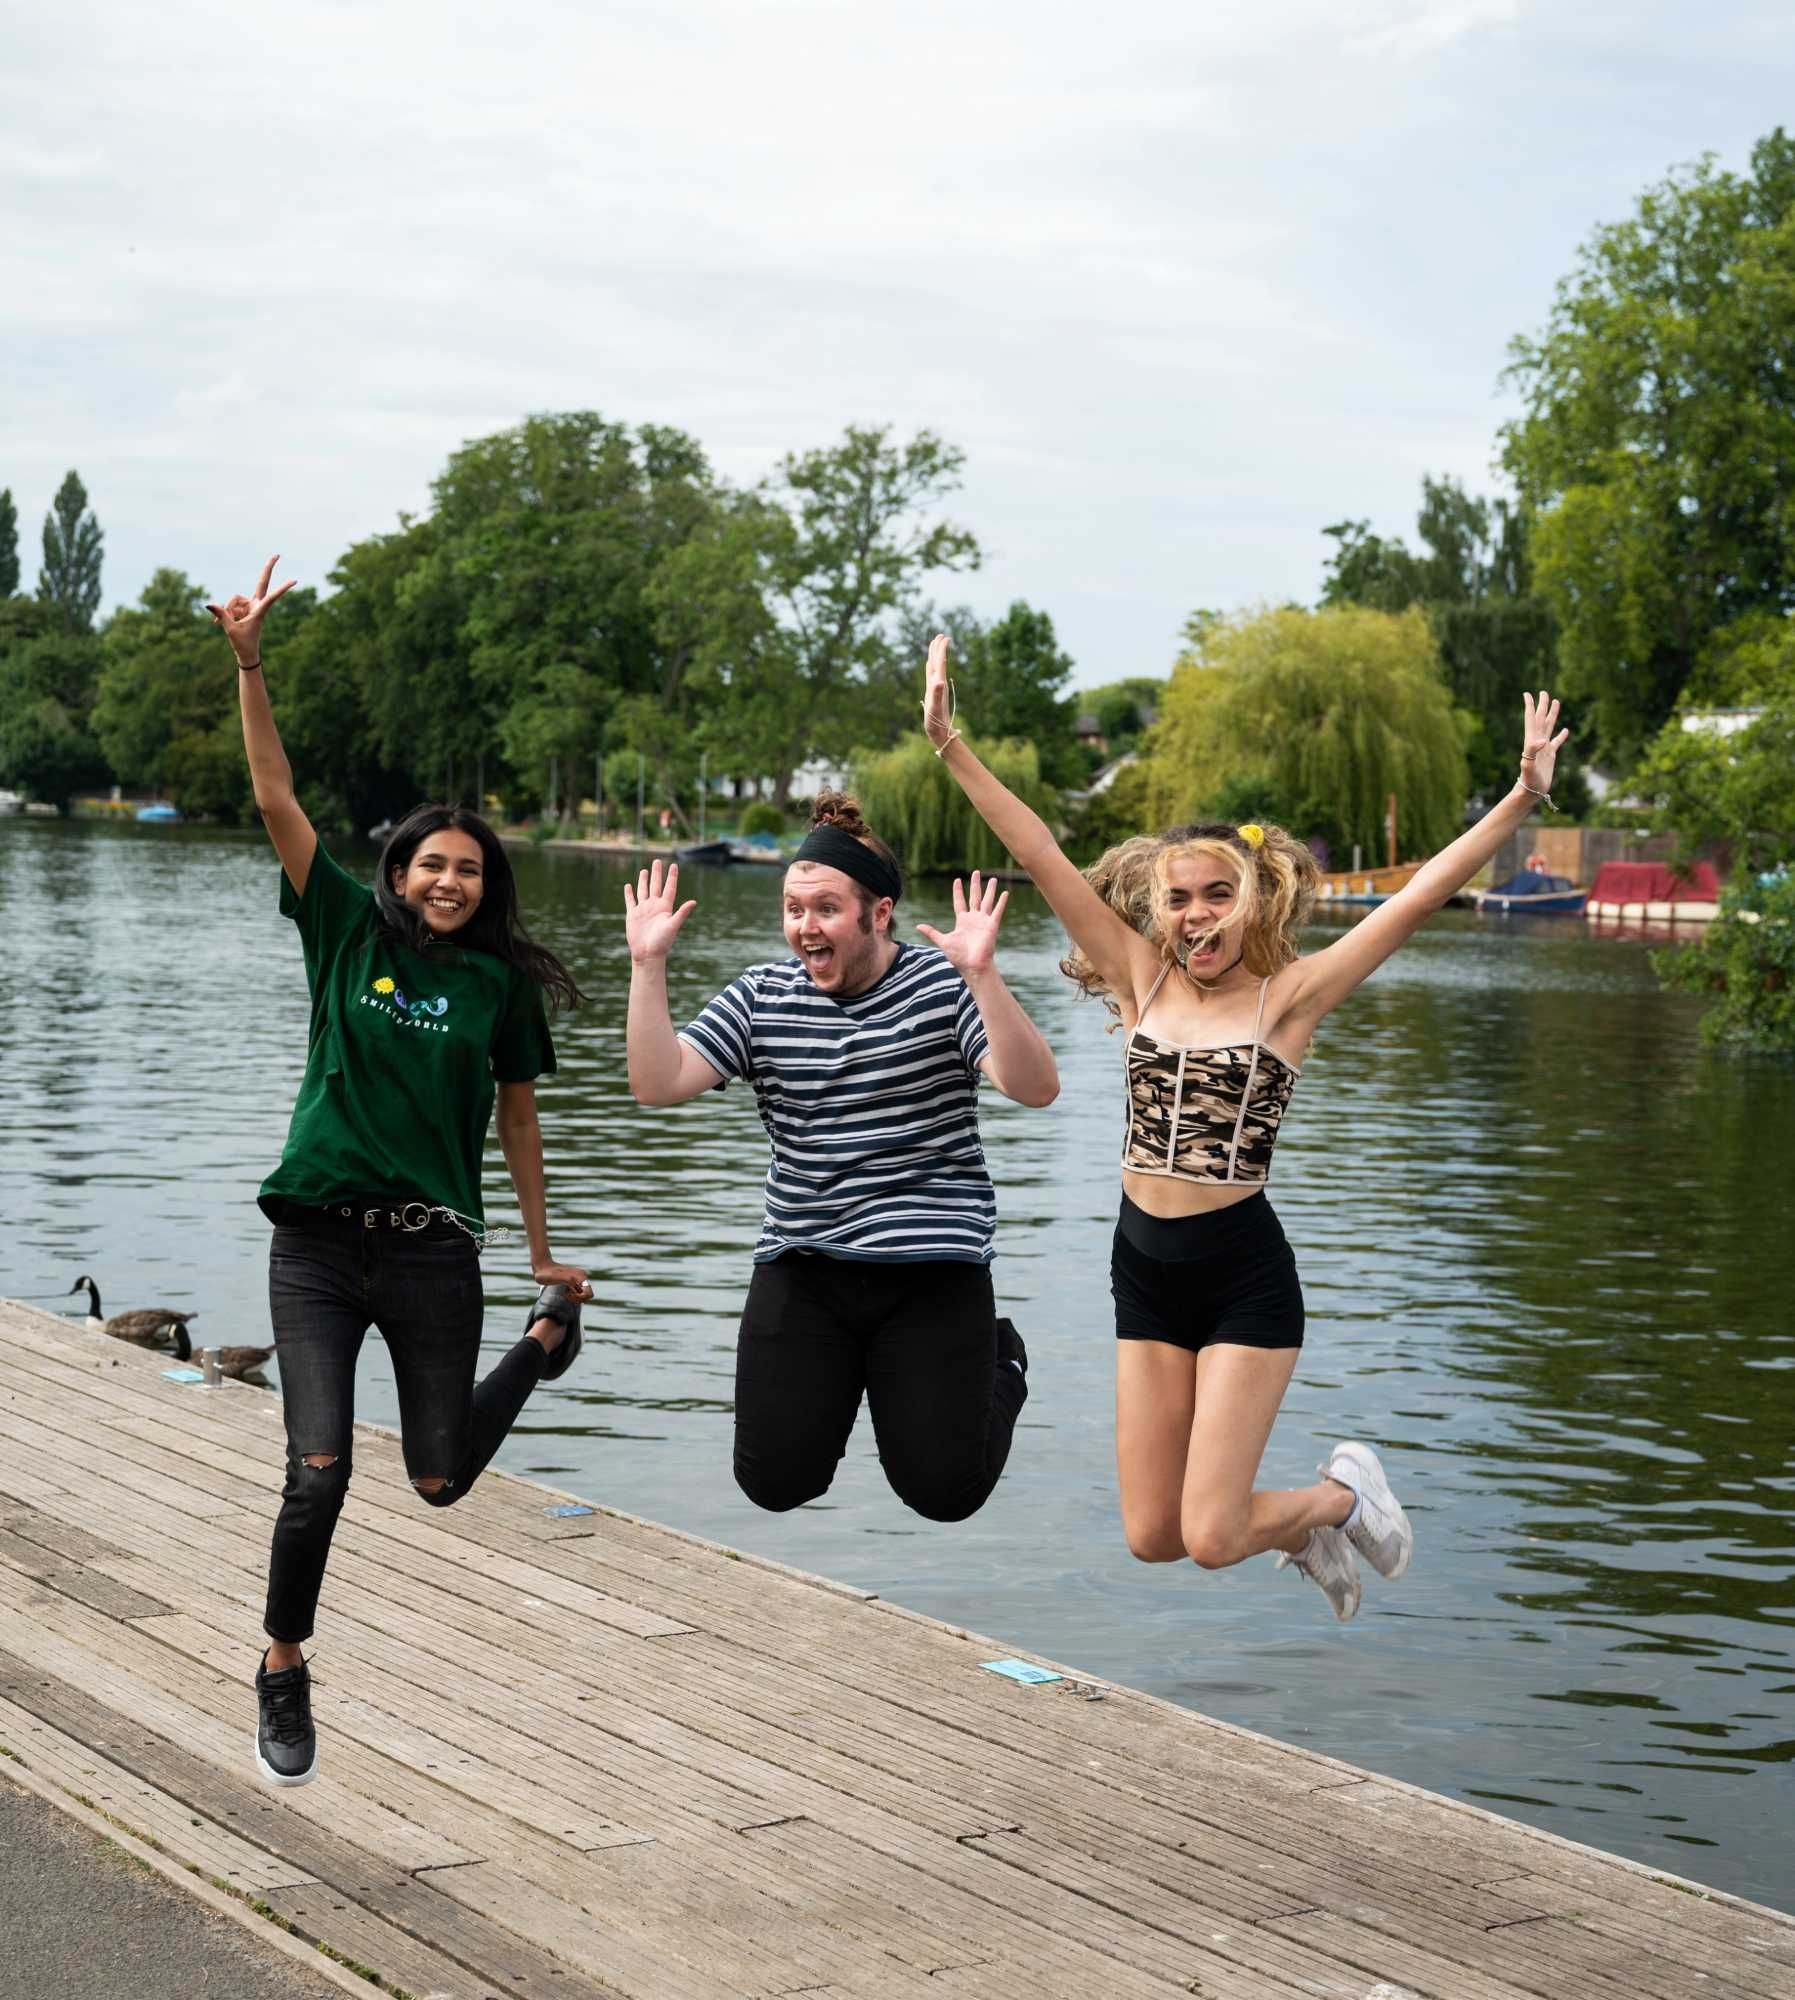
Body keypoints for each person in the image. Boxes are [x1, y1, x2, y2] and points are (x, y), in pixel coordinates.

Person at [922, 634, 1571, 1620]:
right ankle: (1309, 1525)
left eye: (1216, 893)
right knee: (1152, 1533)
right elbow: (1039, 852)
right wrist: (950, 744)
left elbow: (1420, 894)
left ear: (1254, 894)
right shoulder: (1140, 974)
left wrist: (1520, 799)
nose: (1195, 915)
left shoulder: (1291, 1000)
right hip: (1140, 1268)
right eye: (1178, 898)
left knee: (1214, 1532)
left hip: (1239, 1276)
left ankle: (1339, 1495)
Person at [210, 557, 593, 1787]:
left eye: (468, 868)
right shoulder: (341, 928)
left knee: (435, 1477)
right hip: (318, 1241)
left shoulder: (496, 985)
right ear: (400, 869)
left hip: (435, 1248)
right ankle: (282, 1662)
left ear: (488, 886)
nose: (448, 879)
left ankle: (540, 1342)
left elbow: (520, 1115)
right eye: (432, 861)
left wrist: (538, 1249)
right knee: (319, 1465)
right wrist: (250, 662)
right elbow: (274, 794)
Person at [624, 792, 1059, 1522]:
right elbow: (657, 1084)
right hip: (806, 1264)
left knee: (943, 1494)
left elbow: (1035, 1088)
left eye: (824, 909)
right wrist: (646, 965)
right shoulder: (761, 996)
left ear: (878, 913)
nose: (803, 928)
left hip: (931, 1270)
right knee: (774, 1483)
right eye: (792, 910)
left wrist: (983, 976)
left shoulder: (940, 986)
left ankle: (1000, 1361)